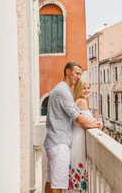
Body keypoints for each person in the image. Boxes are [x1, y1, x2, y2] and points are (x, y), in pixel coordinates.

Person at [43, 62, 101, 193]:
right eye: (76, 73)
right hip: (60, 144)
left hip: (54, 141)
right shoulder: (62, 91)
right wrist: (94, 125)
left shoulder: (61, 90)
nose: (78, 77)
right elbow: (78, 117)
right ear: (68, 72)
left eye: (80, 74)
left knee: (51, 181)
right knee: (57, 186)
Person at [68, 78, 102, 192]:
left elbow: (86, 120)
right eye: (84, 88)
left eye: (88, 88)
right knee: (80, 165)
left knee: (77, 167)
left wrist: (92, 121)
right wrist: (97, 124)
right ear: (78, 88)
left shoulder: (76, 100)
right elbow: (85, 124)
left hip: (76, 137)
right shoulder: (81, 102)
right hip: (79, 139)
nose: (87, 91)